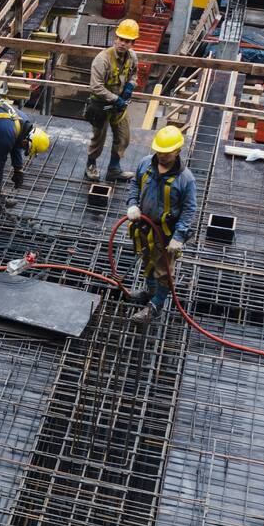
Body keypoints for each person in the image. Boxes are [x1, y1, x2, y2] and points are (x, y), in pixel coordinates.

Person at [125, 126, 197, 324]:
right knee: (147, 260)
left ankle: (156, 306)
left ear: (178, 151)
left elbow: (189, 209)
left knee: (164, 271)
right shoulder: (145, 163)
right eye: (159, 151)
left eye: (167, 153)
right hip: (144, 226)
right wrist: (132, 204)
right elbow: (135, 183)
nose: (162, 156)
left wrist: (178, 237)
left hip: (166, 234)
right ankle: (150, 291)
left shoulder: (185, 179)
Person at [85, 19, 141, 182]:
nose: (123, 43)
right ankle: (91, 165)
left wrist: (130, 85)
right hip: (101, 105)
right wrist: (116, 99)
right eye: (121, 39)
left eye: (127, 41)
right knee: (98, 139)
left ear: (132, 43)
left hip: (119, 106)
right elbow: (96, 86)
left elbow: (134, 74)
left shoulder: (132, 57)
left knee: (124, 137)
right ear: (115, 38)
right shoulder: (102, 59)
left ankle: (114, 169)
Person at [0, 98, 51, 211]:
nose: (24, 149)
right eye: (26, 148)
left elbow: (16, 144)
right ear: (26, 141)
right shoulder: (7, 133)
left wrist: (18, 169)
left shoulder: (23, 122)